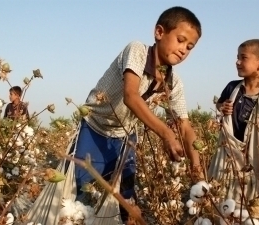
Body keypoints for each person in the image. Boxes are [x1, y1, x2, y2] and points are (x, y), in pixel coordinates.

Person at [75, 6, 203, 224]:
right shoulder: (138, 51)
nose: (184, 50)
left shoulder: (174, 83)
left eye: (190, 47)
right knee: (84, 195)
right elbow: (130, 96)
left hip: (125, 136)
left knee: (127, 198)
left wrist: (198, 173)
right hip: (95, 128)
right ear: (159, 32)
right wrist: (166, 133)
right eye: (180, 40)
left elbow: (184, 126)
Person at [208, 39, 259, 218]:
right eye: (237, 57)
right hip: (228, 152)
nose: (237, 61)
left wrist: (252, 149)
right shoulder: (233, 88)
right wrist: (222, 107)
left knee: (250, 201)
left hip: (252, 158)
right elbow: (220, 105)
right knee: (220, 193)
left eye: (243, 57)